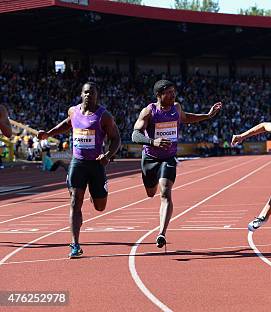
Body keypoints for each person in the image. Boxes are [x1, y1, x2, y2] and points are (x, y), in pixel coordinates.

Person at [131, 80, 222, 249]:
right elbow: (135, 135)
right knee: (151, 192)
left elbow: (186, 118)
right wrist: (153, 141)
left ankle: (161, 233)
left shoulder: (177, 108)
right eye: (169, 93)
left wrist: (207, 116)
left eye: (174, 92)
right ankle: (151, 188)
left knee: (165, 191)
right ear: (159, 95)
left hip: (169, 158)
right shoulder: (149, 111)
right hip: (150, 158)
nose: (173, 95)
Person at [37, 82, 121, 258]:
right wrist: (48, 134)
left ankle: (96, 191)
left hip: (97, 164)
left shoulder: (103, 116)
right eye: (86, 92)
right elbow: (66, 124)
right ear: (81, 94)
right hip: (78, 163)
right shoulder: (73, 111)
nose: (89, 95)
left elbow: (116, 139)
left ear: (97, 95)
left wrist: (107, 155)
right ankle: (74, 244)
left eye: (92, 92)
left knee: (100, 207)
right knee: (75, 201)